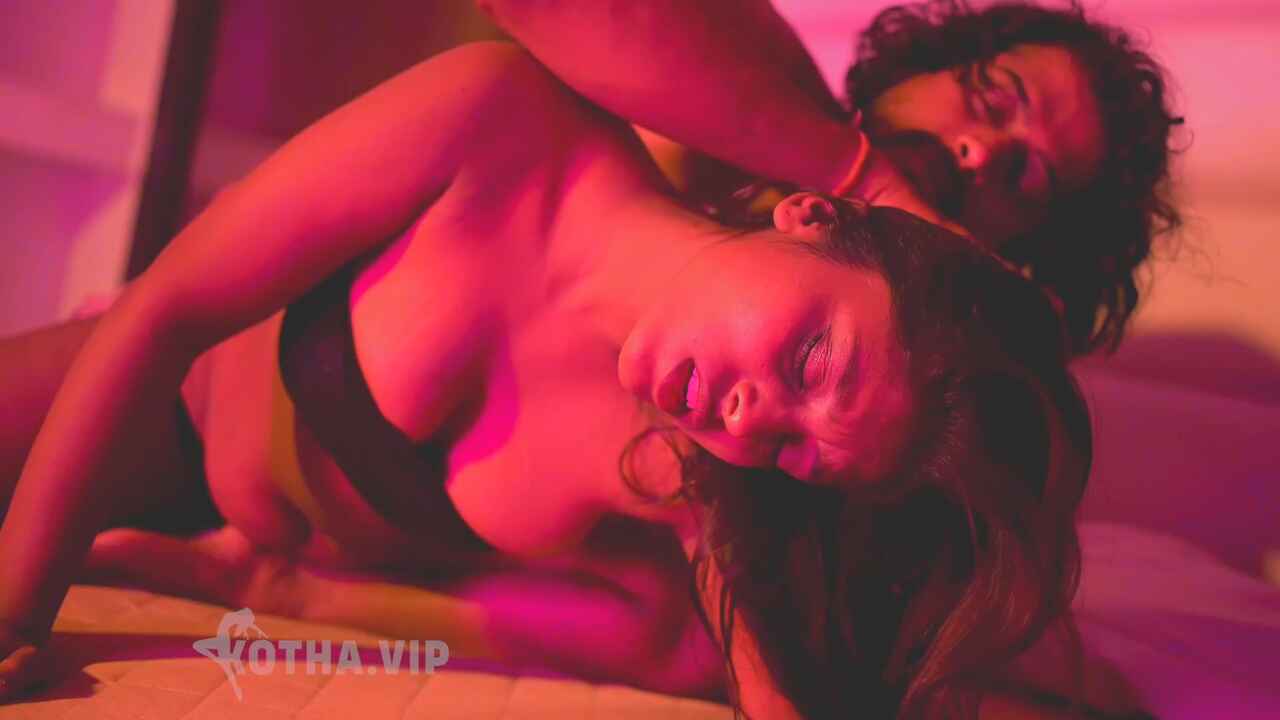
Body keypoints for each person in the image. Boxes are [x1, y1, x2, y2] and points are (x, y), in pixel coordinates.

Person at [0, 42, 1091, 718]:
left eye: (799, 451)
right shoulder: (502, 121)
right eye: (809, 360)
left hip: (256, 554)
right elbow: (167, 311)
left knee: (676, 636)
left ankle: (265, 584)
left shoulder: (699, 461)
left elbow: (764, 685)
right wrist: (20, 606)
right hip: (155, 400)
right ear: (813, 216)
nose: (752, 417)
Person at [478, 0, 1182, 355]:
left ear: (1014, 254)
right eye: (994, 99)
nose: (980, 152)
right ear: (927, 66)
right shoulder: (756, 66)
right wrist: (861, 174)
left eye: (1027, 178)